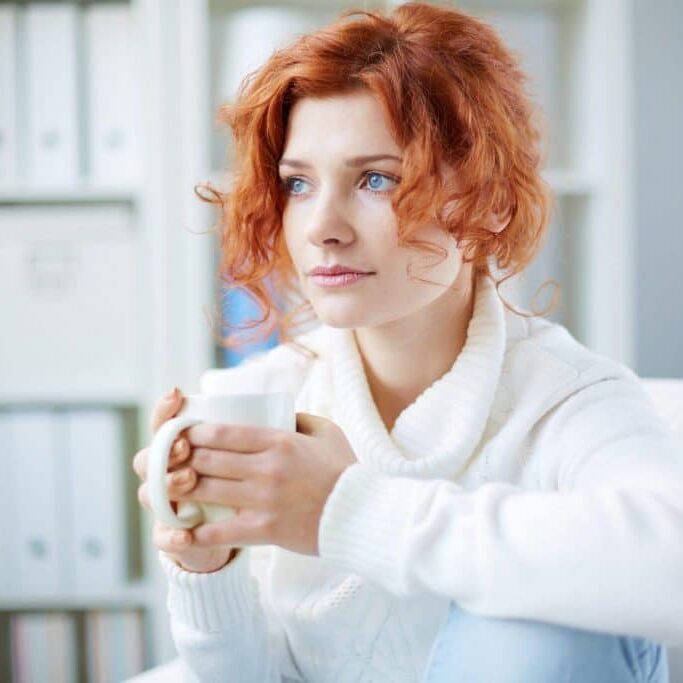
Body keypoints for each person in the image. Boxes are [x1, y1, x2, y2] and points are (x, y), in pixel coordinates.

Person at [132, 2, 683, 681]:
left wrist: (342, 509)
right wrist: (206, 562)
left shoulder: (563, 399)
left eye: (375, 179)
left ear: (485, 201)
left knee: (535, 625)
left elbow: (669, 564)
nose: (321, 227)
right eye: (298, 183)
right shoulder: (276, 396)